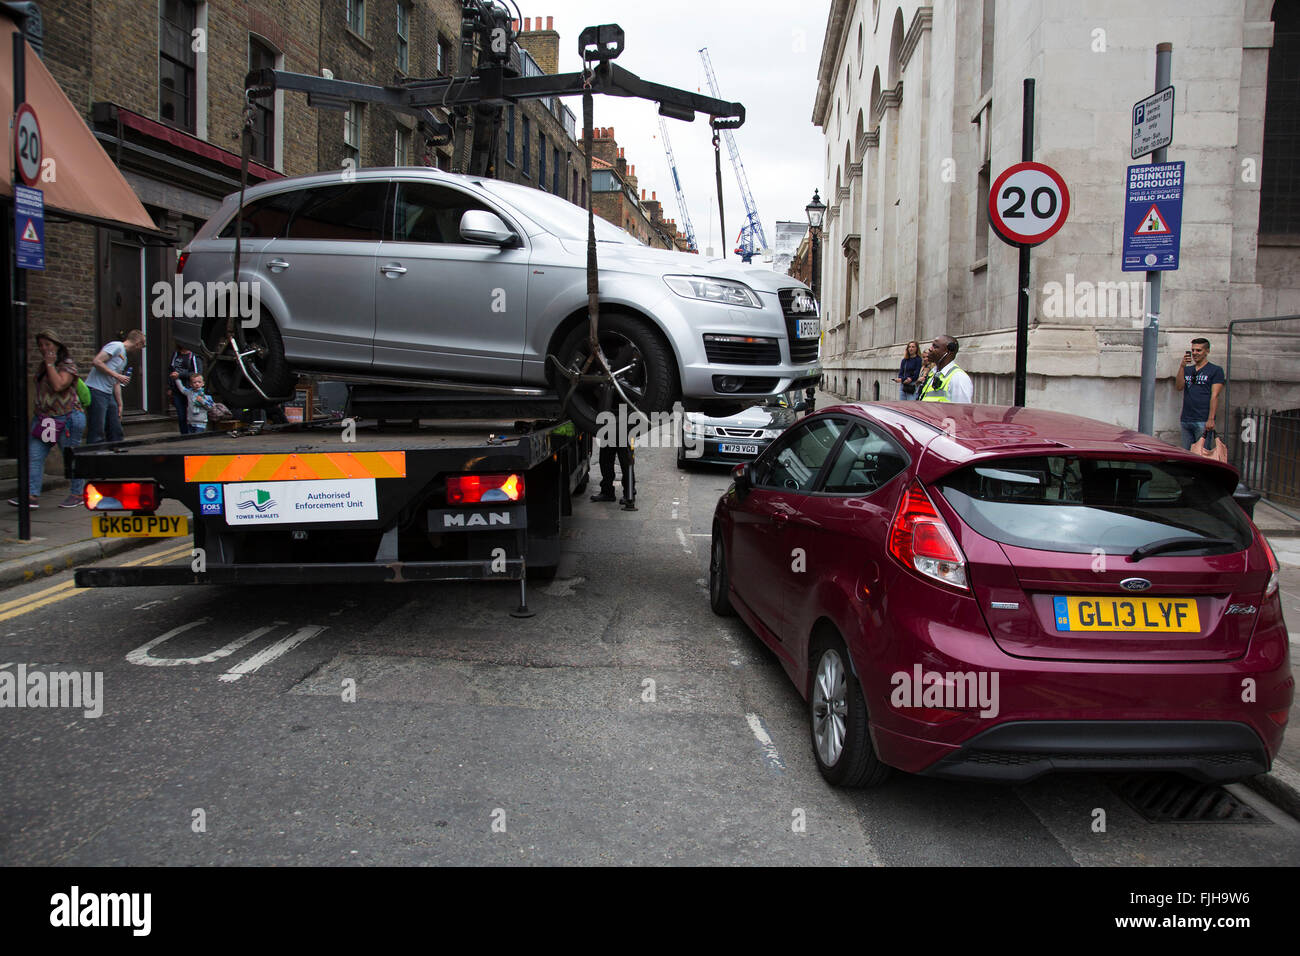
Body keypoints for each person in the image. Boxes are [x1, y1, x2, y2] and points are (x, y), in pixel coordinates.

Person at [8, 330, 88, 509]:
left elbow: (59, 385)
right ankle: (31, 495)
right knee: (34, 455)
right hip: (46, 420)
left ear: (57, 345)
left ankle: (77, 493)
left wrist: (51, 364)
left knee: (70, 457)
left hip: (67, 418)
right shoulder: (43, 366)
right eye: (41, 345)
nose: (44, 348)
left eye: (48, 344)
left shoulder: (67, 365)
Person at [85, 330, 145, 444]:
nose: (141, 349)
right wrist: (117, 375)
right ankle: (94, 457)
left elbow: (117, 382)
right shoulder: (116, 346)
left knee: (115, 428)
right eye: (143, 345)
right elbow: (97, 362)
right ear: (137, 343)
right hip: (97, 390)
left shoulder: (125, 358)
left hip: (108, 393)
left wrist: (120, 404)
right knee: (97, 429)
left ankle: (116, 451)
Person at [1172, 337, 1225, 450]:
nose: (1195, 353)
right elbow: (1179, 387)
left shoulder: (1215, 370)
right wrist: (1182, 366)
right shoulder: (1187, 370)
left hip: (1203, 420)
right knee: (1186, 455)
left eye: (1199, 350)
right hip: (1186, 419)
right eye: (1193, 350)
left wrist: (1211, 418)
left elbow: (1215, 395)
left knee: (1201, 454)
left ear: (1207, 351)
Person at [918, 334, 973, 403]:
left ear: (948, 351)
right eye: (932, 345)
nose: (930, 349)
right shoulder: (932, 373)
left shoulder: (958, 378)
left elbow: (961, 410)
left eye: (935, 346)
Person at [168, 344, 202, 434]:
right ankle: (184, 434)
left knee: (192, 413)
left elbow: (197, 373)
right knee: (181, 414)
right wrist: (170, 386)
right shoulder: (175, 354)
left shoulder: (194, 356)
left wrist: (180, 375)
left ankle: (193, 433)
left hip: (190, 389)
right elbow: (170, 370)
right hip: (177, 389)